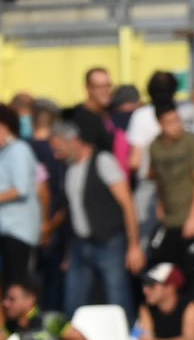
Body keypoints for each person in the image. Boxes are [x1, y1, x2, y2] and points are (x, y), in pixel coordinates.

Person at [54, 120, 138, 315]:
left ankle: (125, 338)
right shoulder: (68, 168)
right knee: (74, 301)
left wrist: (134, 245)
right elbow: (72, 212)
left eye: (60, 149)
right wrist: (68, 251)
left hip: (109, 242)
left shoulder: (103, 161)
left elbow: (128, 204)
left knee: (118, 297)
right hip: (80, 245)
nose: (57, 155)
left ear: (74, 141)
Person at [146, 100, 194, 301]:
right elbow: (158, 178)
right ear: (159, 123)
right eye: (170, 122)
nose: (176, 126)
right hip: (172, 220)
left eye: (177, 120)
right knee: (173, 276)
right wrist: (161, 203)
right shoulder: (155, 147)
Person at [0, 102, 46, 289]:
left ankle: (27, 317)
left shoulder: (19, 150)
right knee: (6, 281)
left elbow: (21, 188)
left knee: (20, 281)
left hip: (20, 228)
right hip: (3, 226)